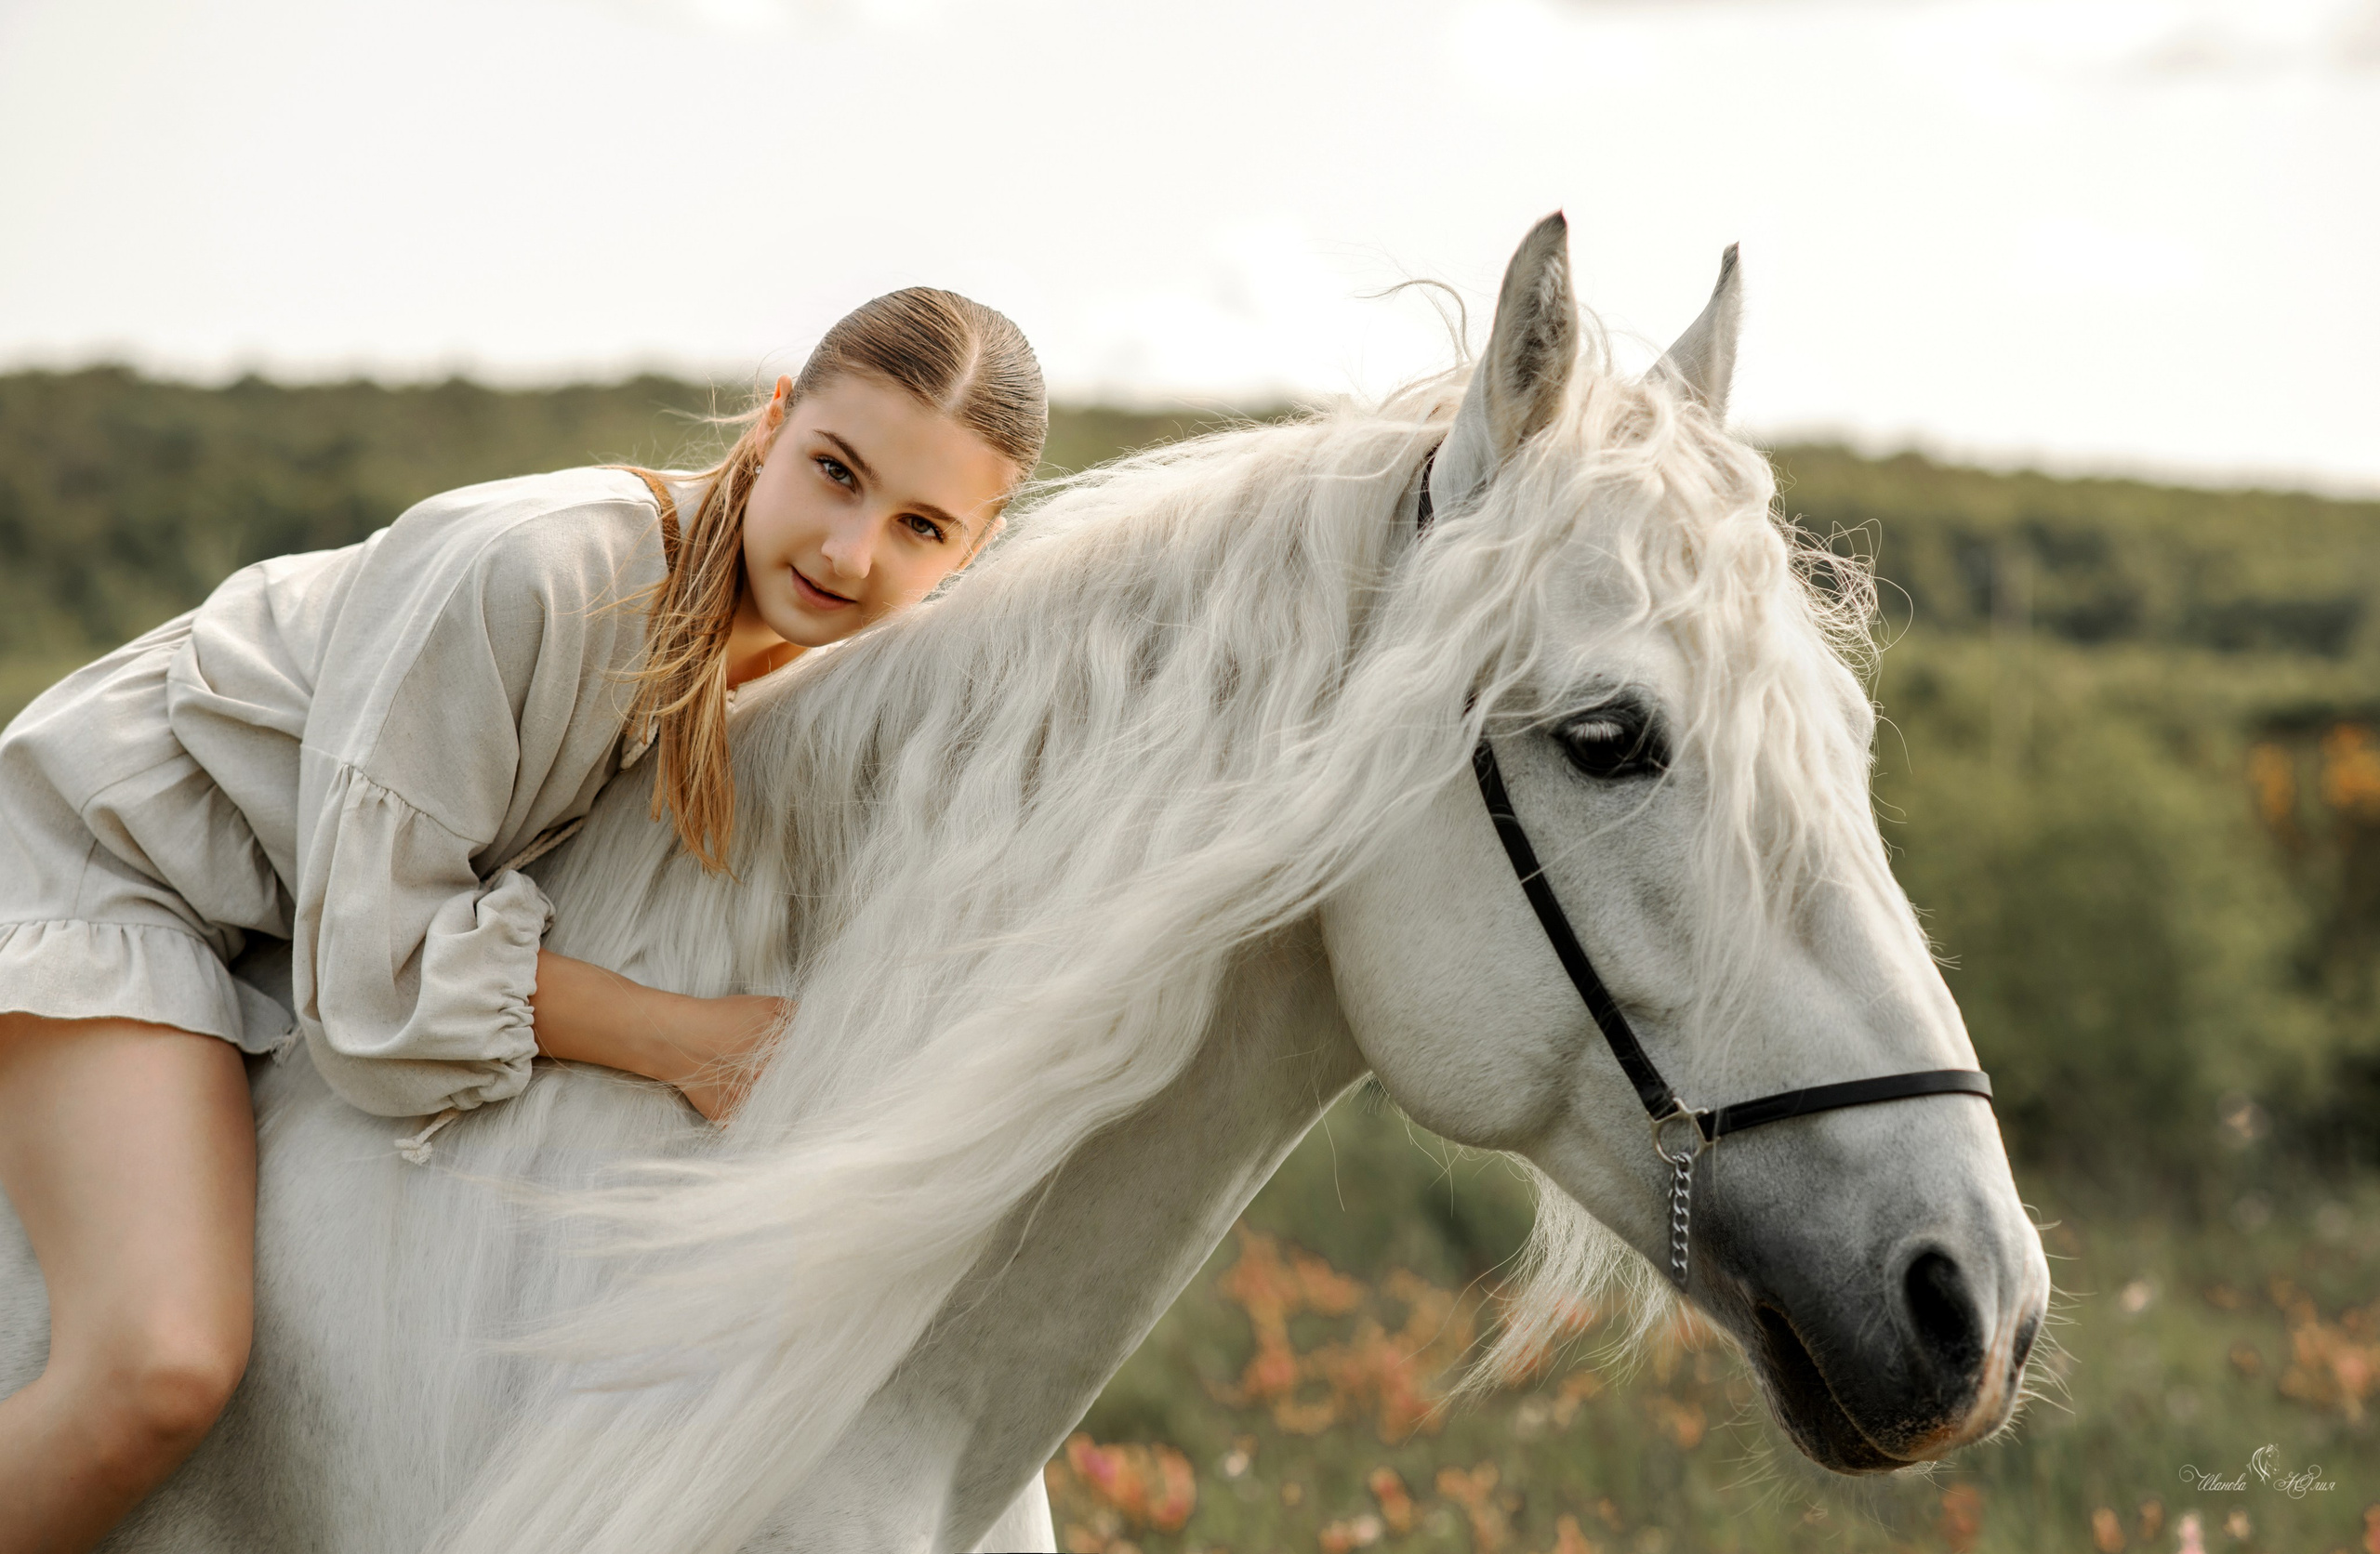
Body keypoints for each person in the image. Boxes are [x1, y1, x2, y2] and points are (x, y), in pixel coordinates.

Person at [0, 288, 1047, 1553]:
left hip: (285, 905)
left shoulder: (835, 668)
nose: (848, 551)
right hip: (112, 862)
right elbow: (379, 974)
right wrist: (691, 1039)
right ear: (773, 423)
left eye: (919, 526)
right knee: (156, 1368)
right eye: (835, 472)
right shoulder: (547, 570)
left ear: (970, 556)